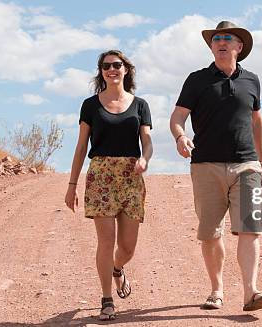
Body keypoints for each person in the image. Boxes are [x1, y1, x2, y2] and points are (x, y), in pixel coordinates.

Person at [170, 21, 262, 312]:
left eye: (228, 38)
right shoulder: (197, 79)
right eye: (217, 38)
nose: (221, 41)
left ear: (239, 47)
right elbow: (177, 116)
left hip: (246, 164)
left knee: (249, 228)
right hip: (206, 165)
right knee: (210, 232)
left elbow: (257, 120)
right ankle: (216, 290)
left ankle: (251, 293)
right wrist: (180, 136)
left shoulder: (252, 80)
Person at [65, 50, 153, 321]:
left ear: (126, 69)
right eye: (106, 66)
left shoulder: (140, 105)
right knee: (106, 241)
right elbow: (81, 146)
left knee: (127, 247)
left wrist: (145, 159)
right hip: (101, 175)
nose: (111, 69)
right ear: (101, 71)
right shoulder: (90, 105)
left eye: (117, 65)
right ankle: (106, 299)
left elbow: (147, 142)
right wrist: (71, 185)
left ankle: (117, 269)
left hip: (130, 176)